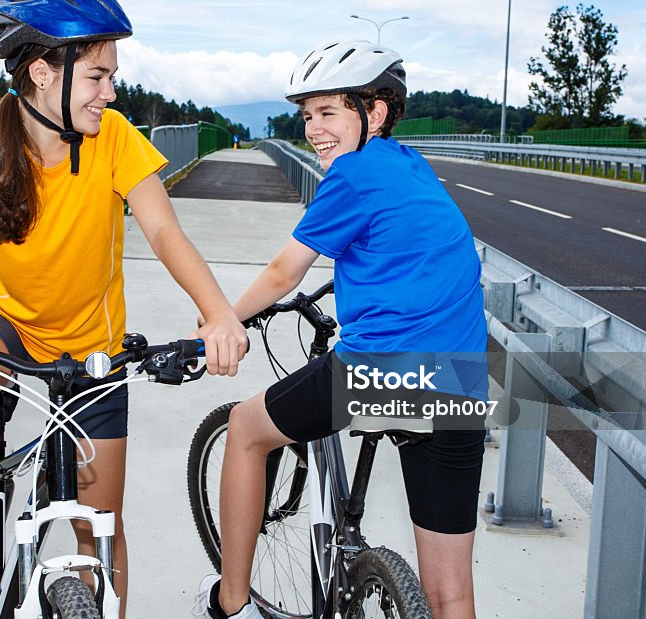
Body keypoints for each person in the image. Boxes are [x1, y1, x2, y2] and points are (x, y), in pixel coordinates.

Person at [0, 0, 248, 614]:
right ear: (45, 72)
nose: (112, 92)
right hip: (6, 323)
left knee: (97, 527)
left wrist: (217, 314)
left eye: (112, 77)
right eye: (99, 76)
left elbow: (163, 229)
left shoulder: (114, 139)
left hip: (93, 352)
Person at [194, 40, 488, 619]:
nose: (314, 129)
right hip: (459, 381)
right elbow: (404, 250)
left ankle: (231, 605)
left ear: (373, 112)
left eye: (329, 112)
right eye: (307, 115)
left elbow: (284, 271)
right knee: (450, 592)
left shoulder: (352, 175)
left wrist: (222, 318)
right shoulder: (410, 165)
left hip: (385, 373)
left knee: (246, 428)